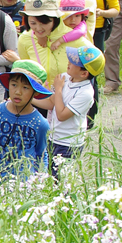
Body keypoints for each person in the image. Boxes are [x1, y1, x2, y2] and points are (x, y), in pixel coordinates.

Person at [0, 60, 51, 177]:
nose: (18, 92)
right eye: (14, 85)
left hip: (24, 185)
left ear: (35, 92)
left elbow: (41, 155)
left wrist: (40, 180)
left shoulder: (40, 124)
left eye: (25, 87)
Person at [47, 46, 103, 175]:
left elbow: (61, 115)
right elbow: (51, 103)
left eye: (74, 62)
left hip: (68, 143)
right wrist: (28, 100)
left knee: (61, 181)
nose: (69, 62)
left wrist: (59, 89)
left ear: (84, 73)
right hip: (53, 137)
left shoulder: (86, 93)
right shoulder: (65, 78)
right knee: (49, 177)